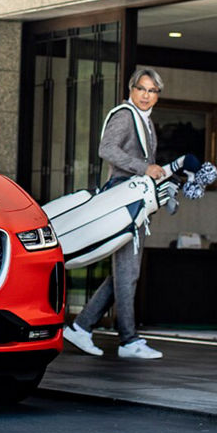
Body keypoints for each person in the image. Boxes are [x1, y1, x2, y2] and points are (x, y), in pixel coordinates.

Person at [61, 67, 166, 360]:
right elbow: (106, 149)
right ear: (131, 90)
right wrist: (143, 168)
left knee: (125, 272)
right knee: (127, 272)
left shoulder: (146, 122)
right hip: (123, 199)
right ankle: (128, 340)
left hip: (134, 199)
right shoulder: (125, 115)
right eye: (141, 89)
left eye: (152, 91)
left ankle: (81, 327)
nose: (146, 95)